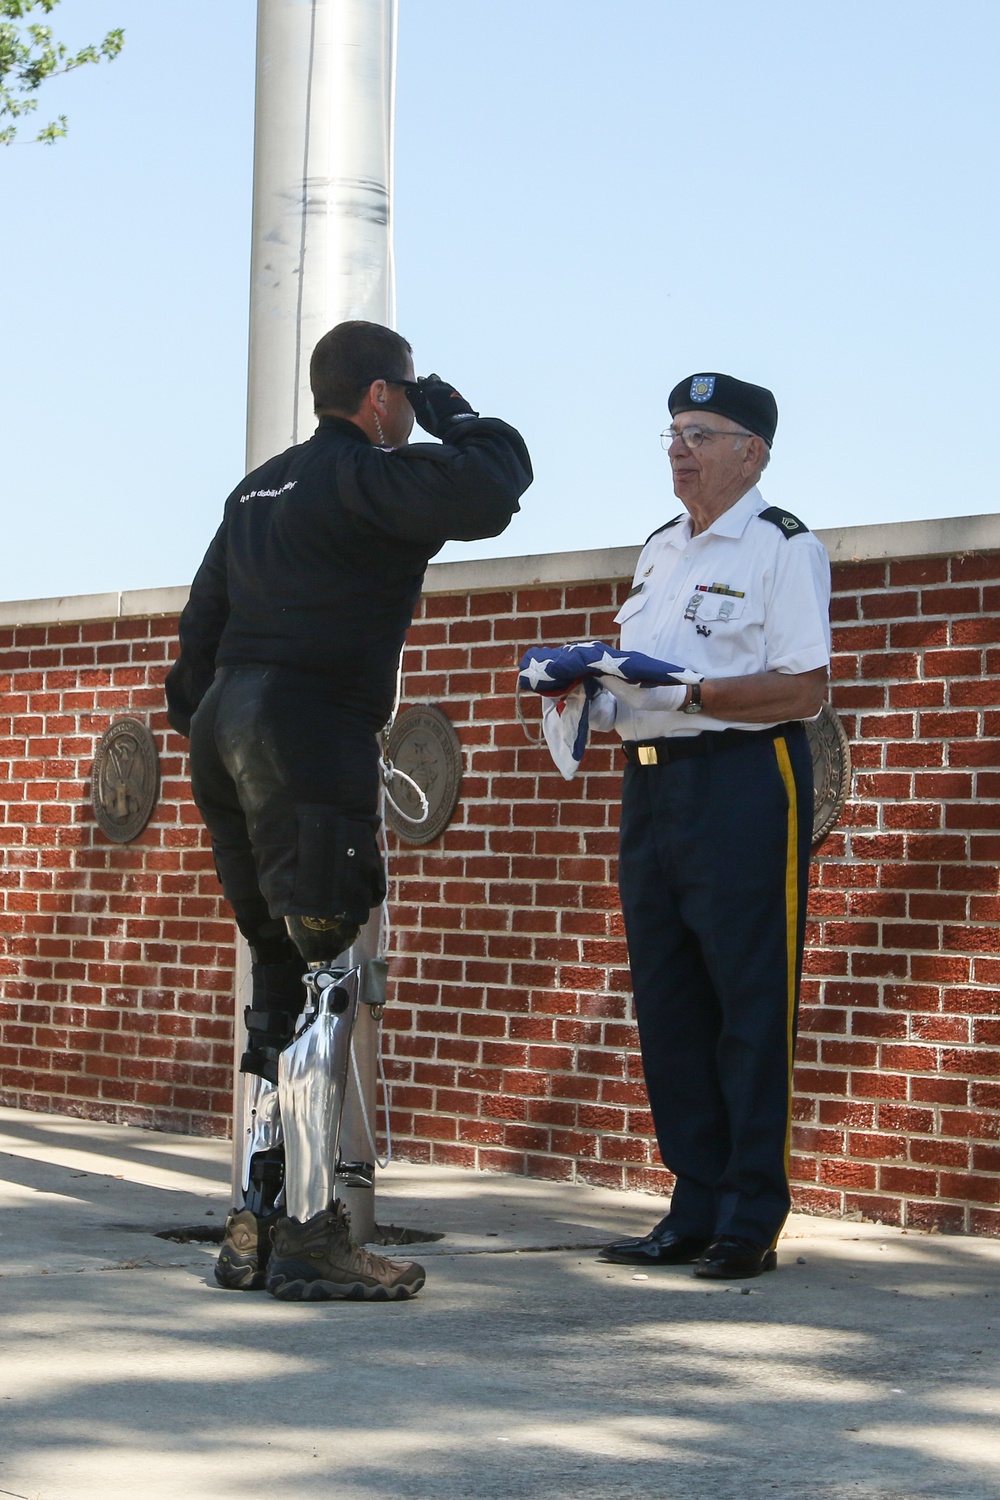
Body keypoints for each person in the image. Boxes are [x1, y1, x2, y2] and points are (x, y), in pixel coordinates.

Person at [165, 320, 532, 1301]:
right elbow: (497, 483)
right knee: (330, 975)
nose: (409, 415)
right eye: (403, 397)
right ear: (380, 399)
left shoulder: (257, 490)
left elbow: (194, 645)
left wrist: (223, 723)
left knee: (278, 978)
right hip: (307, 733)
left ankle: (253, 1225)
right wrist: (449, 403)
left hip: (223, 729)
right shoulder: (370, 476)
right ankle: (318, 1237)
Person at [598, 372, 830, 1279]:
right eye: (671, 433)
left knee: (747, 1000)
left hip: (743, 779)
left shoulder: (782, 548)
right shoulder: (661, 548)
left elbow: (805, 688)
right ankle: (692, 1204)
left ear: (752, 451)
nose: (679, 449)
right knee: (668, 1000)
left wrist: (689, 692)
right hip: (650, 784)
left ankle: (749, 1216)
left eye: (699, 432)